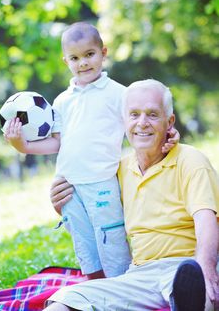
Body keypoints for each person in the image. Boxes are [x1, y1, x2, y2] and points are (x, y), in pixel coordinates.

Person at [4, 22, 178, 280]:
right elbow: (57, 142)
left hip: (102, 181)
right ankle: (95, 288)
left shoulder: (119, 94)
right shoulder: (62, 101)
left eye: (89, 55)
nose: (83, 63)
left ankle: (120, 286)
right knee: (84, 243)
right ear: (65, 61)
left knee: (112, 239)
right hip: (68, 184)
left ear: (103, 53)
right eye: (75, 58)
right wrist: (23, 146)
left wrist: (166, 134)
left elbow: (138, 126)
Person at [45, 79, 219, 311]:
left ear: (170, 122)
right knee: (65, 300)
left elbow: (206, 222)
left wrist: (206, 270)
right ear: (123, 121)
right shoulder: (115, 171)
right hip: (139, 275)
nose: (142, 123)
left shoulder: (191, 160)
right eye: (134, 114)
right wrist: (64, 207)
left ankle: (191, 300)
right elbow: (97, 217)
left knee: (201, 296)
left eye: (152, 115)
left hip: (187, 266)